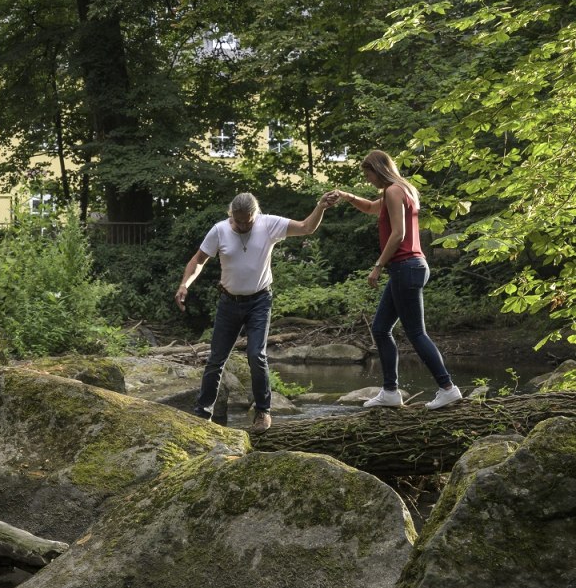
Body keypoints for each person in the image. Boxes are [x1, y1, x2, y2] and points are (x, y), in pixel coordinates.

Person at [176, 192, 335, 433]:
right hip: (229, 302)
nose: (242, 225)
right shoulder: (219, 230)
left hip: (260, 301)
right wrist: (185, 284)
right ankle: (202, 413)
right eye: (237, 221)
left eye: (246, 221)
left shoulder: (268, 224)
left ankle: (263, 412)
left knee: (256, 355)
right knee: (215, 360)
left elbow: (305, 228)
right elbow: (198, 260)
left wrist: (320, 207)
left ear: (255, 214)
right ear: (231, 215)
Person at [329, 150, 463, 410]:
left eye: (368, 174)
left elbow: (399, 233)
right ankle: (390, 391)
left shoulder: (392, 191)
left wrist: (378, 266)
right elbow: (369, 207)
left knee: (415, 332)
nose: (368, 180)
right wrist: (346, 196)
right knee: (380, 329)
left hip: (405, 266)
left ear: (378, 169)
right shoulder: (404, 189)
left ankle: (448, 388)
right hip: (410, 267)